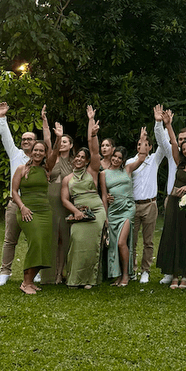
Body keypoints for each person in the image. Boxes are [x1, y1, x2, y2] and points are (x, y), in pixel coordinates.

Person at [154, 109, 186, 285]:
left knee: (185, 238)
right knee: (172, 236)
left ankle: (185, 275)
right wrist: (167, 124)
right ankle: (173, 274)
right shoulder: (179, 162)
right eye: (184, 149)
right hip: (175, 203)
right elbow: (173, 142)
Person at [61, 105, 107, 289]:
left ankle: (90, 280)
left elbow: (94, 151)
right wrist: (75, 212)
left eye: (82, 157)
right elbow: (64, 199)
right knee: (78, 243)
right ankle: (74, 279)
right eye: (77, 156)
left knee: (94, 247)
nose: (79, 159)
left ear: (87, 161)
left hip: (96, 211)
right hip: (78, 212)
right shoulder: (67, 178)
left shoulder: (92, 172)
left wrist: (93, 131)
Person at [126, 105, 170, 283]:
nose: (140, 146)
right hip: (133, 205)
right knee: (132, 240)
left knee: (148, 241)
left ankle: (145, 271)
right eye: (138, 144)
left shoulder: (155, 160)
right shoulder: (130, 161)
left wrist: (161, 124)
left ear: (150, 147)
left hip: (150, 205)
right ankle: (131, 269)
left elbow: (163, 143)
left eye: (144, 144)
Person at [0, 102, 36, 286]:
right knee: (10, 240)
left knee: (34, 240)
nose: (25, 141)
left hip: (33, 204)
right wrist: (2, 118)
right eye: (23, 139)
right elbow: (6, 138)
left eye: (29, 139)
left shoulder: (40, 160)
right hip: (15, 204)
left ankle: (34, 271)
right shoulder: (15, 155)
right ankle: (5, 272)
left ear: (36, 143)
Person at [101, 131, 148, 287]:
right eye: (114, 156)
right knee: (114, 245)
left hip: (127, 209)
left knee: (122, 242)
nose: (115, 159)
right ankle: (117, 275)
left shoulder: (127, 169)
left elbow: (142, 157)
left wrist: (142, 138)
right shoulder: (104, 174)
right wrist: (106, 216)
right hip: (113, 211)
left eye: (119, 158)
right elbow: (103, 195)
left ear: (123, 160)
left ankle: (126, 276)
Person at [10, 140, 53, 294]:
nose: (38, 153)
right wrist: (22, 207)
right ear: (31, 151)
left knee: (43, 245)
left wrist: (59, 137)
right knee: (36, 243)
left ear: (45, 153)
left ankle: (31, 280)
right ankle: (26, 283)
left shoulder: (46, 169)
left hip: (45, 211)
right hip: (27, 211)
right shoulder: (22, 169)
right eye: (36, 150)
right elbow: (14, 191)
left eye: (41, 151)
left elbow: (54, 155)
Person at [41, 112, 74, 285]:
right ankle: (48, 272)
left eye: (65, 142)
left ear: (71, 145)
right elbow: (47, 139)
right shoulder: (51, 158)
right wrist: (45, 122)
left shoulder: (76, 162)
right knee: (50, 238)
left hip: (66, 203)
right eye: (60, 142)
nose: (62, 144)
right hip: (51, 202)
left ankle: (61, 272)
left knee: (64, 239)